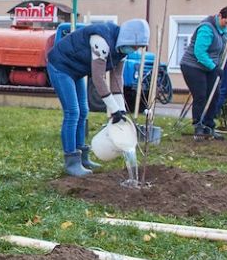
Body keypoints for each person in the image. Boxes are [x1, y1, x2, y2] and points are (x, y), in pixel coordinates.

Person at [46, 19, 151, 176]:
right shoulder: (102, 40)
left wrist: (120, 110)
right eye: (134, 46)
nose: (134, 49)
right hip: (61, 65)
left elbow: (117, 81)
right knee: (73, 112)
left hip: (77, 70)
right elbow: (98, 78)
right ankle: (71, 161)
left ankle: (82, 157)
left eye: (138, 47)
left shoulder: (121, 51)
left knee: (83, 111)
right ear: (127, 38)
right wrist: (113, 110)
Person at [179, 6, 227, 139]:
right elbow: (199, 53)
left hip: (208, 67)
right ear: (220, 16)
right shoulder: (206, 28)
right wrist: (214, 68)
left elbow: (219, 43)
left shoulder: (221, 29)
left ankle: (208, 125)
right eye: (226, 22)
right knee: (201, 95)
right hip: (192, 65)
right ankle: (198, 126)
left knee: (215, 95)